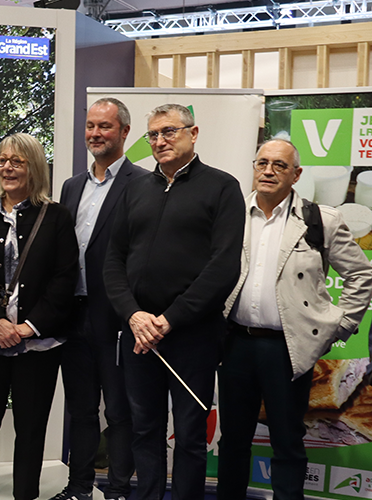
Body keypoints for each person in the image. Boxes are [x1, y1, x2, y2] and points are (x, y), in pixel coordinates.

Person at [104, 103, 245, 500]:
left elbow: (223, 268)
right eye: (153, 135)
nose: (160, 141)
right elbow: (112, 261)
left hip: (192, 336)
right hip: (138, 337)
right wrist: (133, 315)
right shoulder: (134, 189)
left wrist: (167, 320)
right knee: (144, 429)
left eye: (169, 132)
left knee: (188, 436)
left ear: (193, 133)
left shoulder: (222, 187)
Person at [218, 139, 372, 500]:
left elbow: (361, 275)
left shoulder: (321, 219)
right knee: (234, 440)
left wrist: (342, 325)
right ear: (254, 168)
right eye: (262, 163)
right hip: (235, 343)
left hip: (288, 347)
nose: (269, 171)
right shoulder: (230, 215)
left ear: (296, 174)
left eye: (280, 165)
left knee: (287, 441)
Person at [0, 133, 78, 500]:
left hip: (39, 345)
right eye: (3, 160)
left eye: (18, 161)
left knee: (30, 430)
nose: (7, 167)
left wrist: (28, 327)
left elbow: (65, 278)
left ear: (34, 168)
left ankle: (25, 495)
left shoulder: (56, 217)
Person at [53, 98, 145, 500]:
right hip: (74, 315)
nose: (95, 134)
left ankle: (120, 490)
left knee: (120, 412)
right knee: (81, 408)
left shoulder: (143, 184)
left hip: (119, 318)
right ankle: (79, 488)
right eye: (91, 126)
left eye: (105, 127)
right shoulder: (71, 186)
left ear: (124, 132)